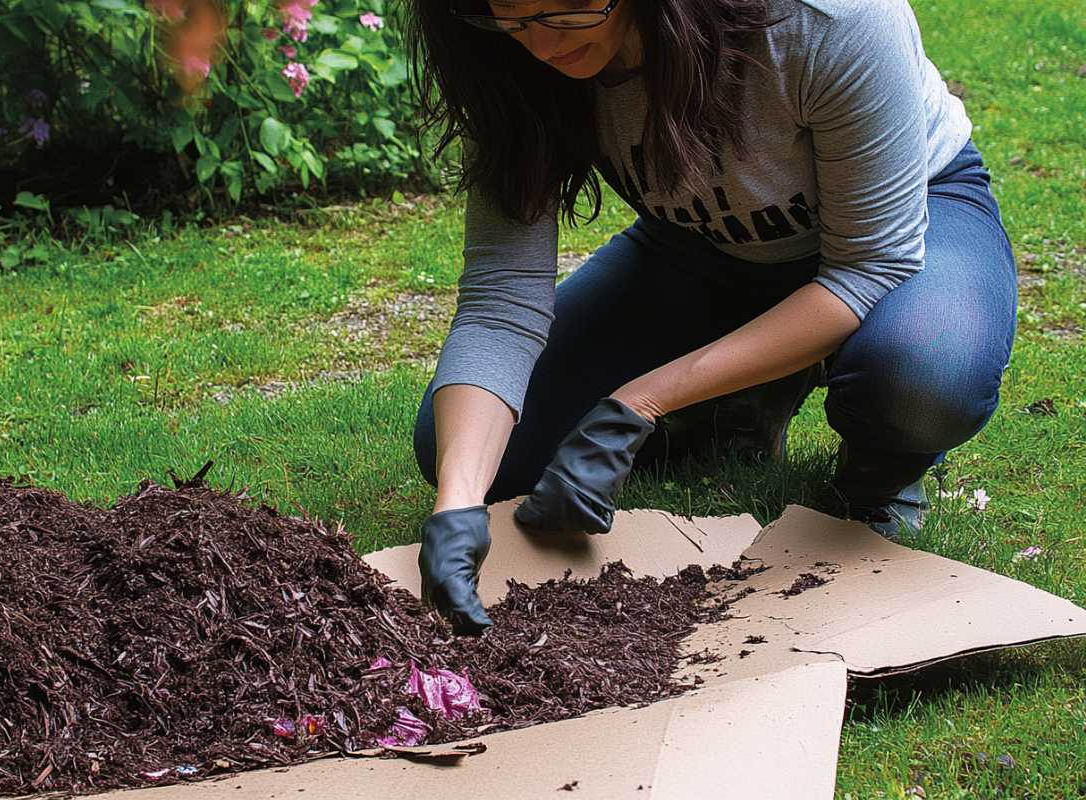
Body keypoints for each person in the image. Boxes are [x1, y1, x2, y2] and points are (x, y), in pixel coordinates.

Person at [404, 0, 1018, 633]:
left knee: (923, 377)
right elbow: (502, 297)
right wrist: (458, 503)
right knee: (472, 452)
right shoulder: (500, 51)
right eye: (512, 17)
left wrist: (643, 399)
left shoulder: (827, 19)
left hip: (906, 226)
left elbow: (866, 264)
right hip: (707, 243)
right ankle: (735, 402)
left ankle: (881, 471)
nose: (540, 44)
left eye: (568, 10)